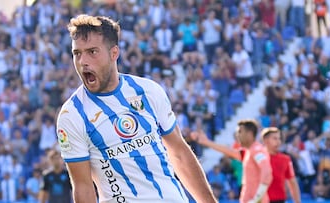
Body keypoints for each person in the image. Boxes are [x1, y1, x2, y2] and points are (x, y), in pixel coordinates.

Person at [56, 14, 217, 203]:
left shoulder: (148, 91)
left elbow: (180, 153)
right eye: (77, 53)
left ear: (114, 53)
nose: (83, 61)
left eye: (92, 51)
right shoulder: (72, 115)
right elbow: (83, 187)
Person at [191, 119, 272, 203]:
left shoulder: (257, 150)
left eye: (240, 131)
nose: (237, 135)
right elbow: (231, 152)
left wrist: (257, 198)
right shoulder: (248, 151)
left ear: (250, 133)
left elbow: (267, 173)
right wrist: (206, 142)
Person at [261, 127, 301, 203]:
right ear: (266, 141)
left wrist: (297, 201)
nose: (278, 142)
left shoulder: (286, 159)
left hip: (279, 200)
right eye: (275, 139)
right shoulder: (258, 158)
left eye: (279, 139)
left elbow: (292, 182)